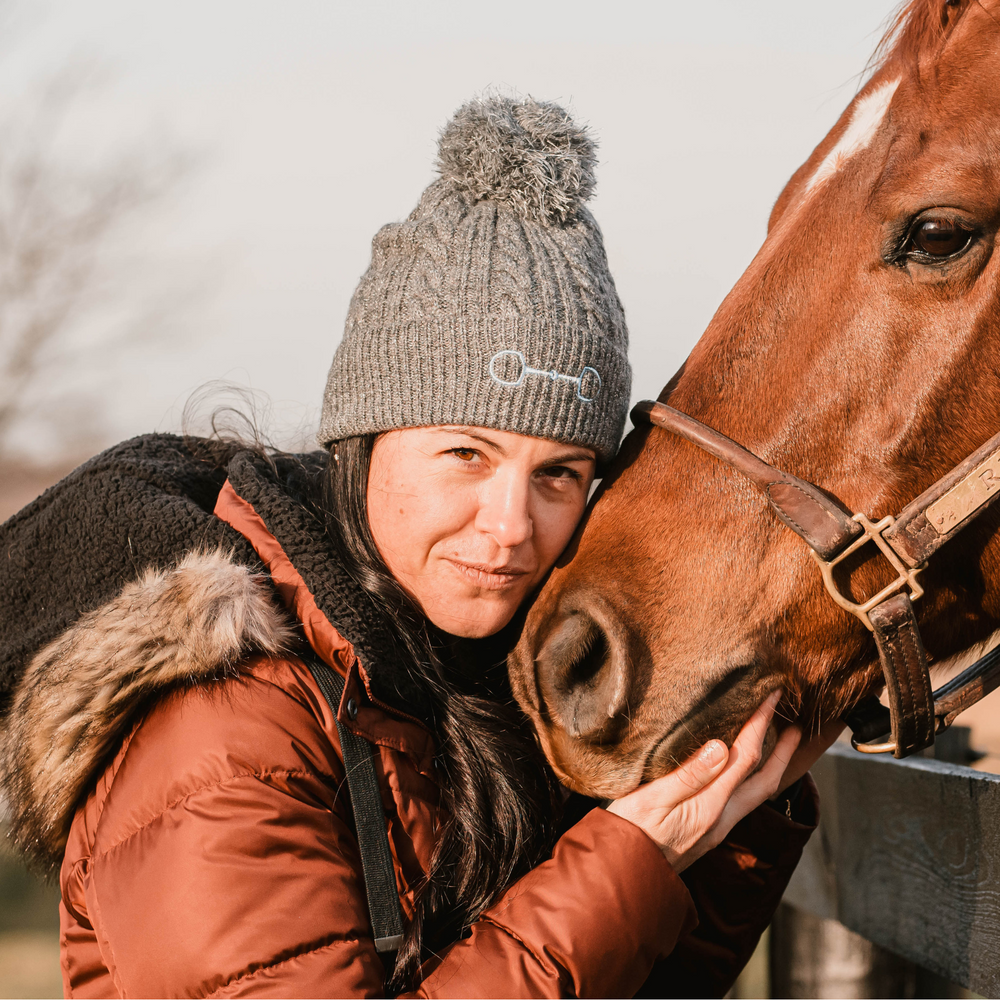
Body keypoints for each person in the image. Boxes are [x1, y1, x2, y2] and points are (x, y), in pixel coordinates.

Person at [0, 96, 832, 999]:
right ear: (363, 445)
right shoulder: (227, 724)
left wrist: (720, 815)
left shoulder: (471, 679)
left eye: (560, 473)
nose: (511, 523)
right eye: (466, 455)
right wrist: (634, 855)